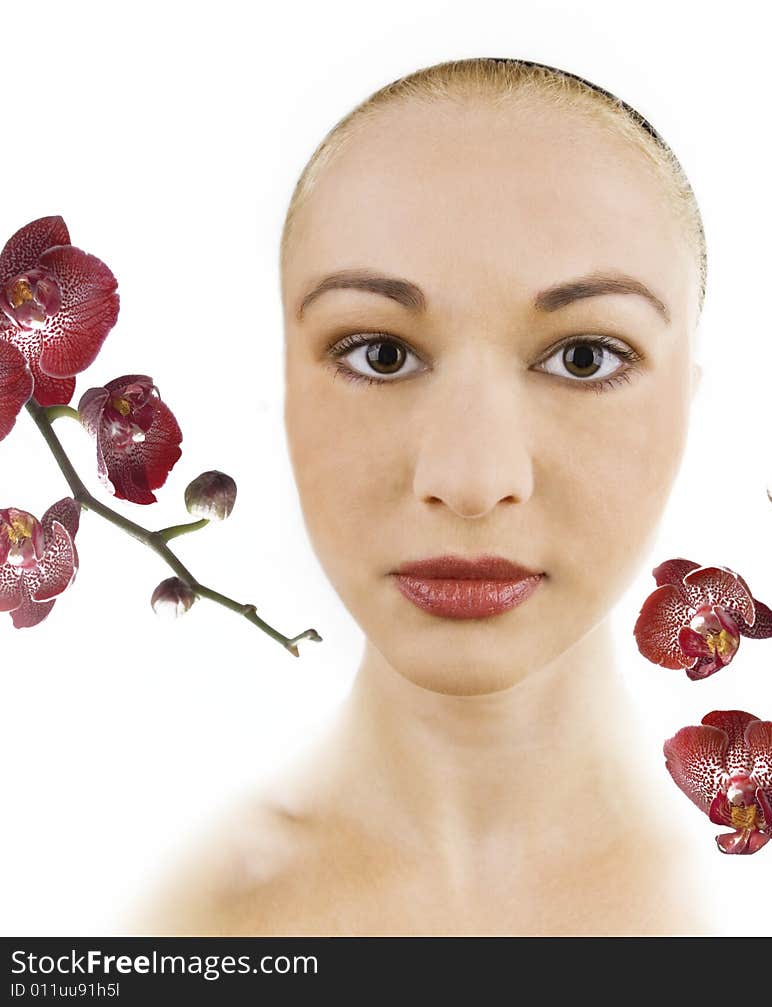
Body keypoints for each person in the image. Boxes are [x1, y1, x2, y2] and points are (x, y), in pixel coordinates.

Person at [131, 56, 710, 936]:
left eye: (585, 356)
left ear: (688, 401)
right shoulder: (173, 925)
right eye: (379, 352)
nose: (472, 482)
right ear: (283, 388)